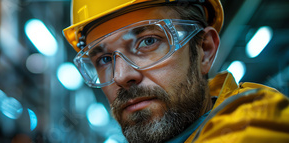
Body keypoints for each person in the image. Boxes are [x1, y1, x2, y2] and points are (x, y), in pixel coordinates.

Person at [62, 0, 289, 142]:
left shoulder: (254, 123)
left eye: (148, 41)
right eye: (103, 58)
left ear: (204, 49)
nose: (121, 76)